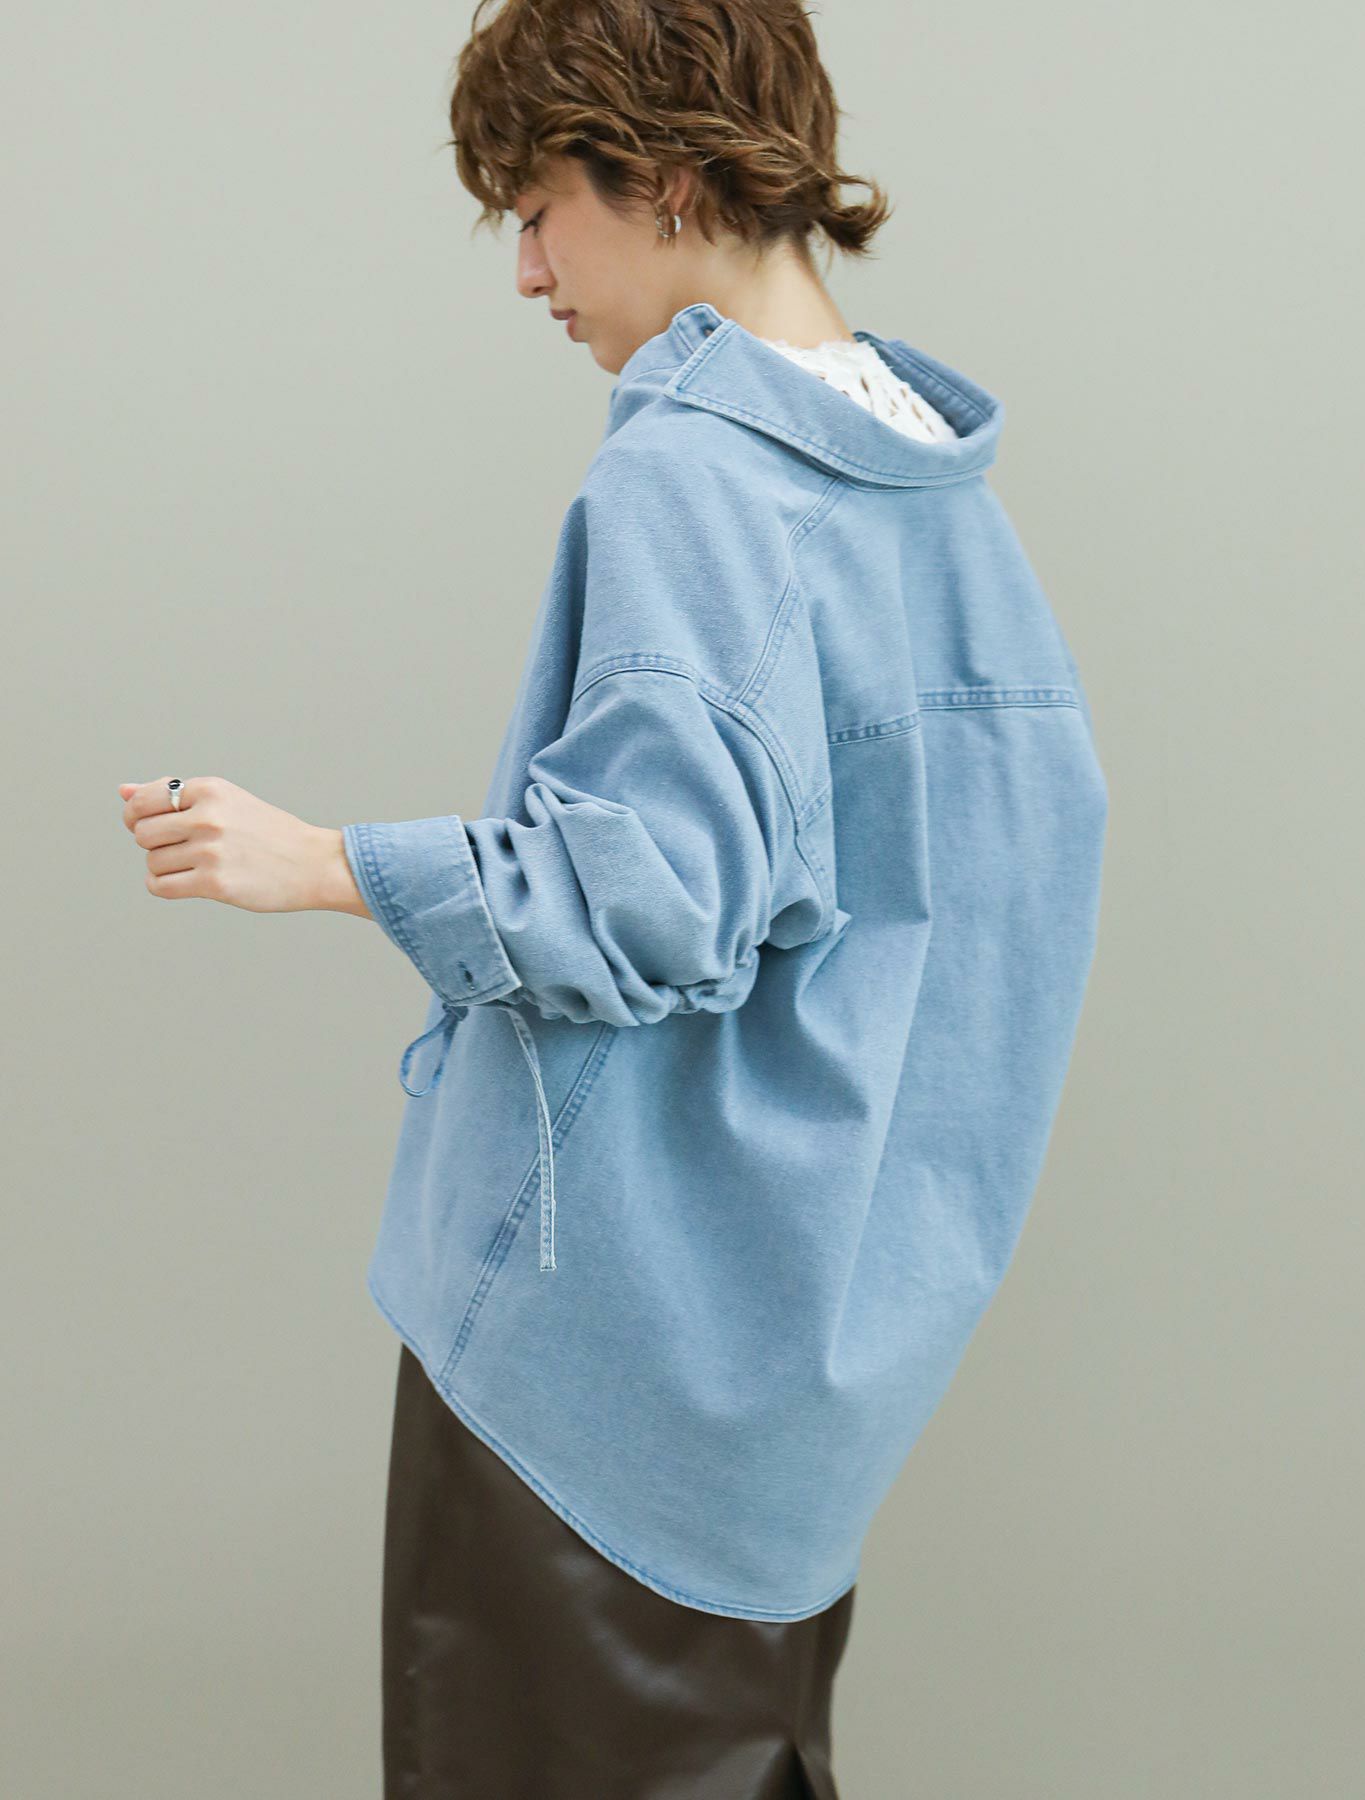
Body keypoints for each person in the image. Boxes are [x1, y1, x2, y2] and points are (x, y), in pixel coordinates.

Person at [119, 2, 1108, 1794]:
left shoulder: (696, 474)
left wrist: (323, 862)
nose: (525, 273)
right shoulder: (947, 511)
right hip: (805, 1380)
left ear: (660, 176)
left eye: (536, 208)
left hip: (605, 1363)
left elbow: (646, 899)